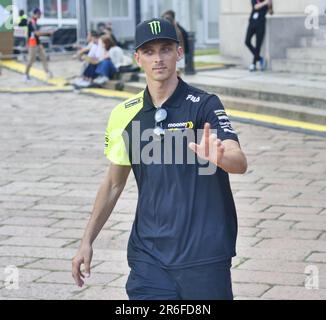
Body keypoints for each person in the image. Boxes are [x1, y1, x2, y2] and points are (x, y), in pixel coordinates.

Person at [72, 18, 247, 300]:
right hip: (148, 257)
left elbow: (239, 161)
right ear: (137, 58)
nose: (158, 59)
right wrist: (86, 241)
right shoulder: (124, 115)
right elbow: (113, 184)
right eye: (150, 51)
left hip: (204, 253)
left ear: (178, 53)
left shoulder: (205, 105)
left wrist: (222, 156)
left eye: (165, 49)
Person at [25, 8, 53, 81]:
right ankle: (26, 75)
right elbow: (37, 33)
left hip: (37, 42)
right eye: (39, 14)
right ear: (36, 14)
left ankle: (47, 72)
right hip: (32, 43)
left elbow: (37, 33)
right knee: (31, 60)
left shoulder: (35, 21)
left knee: (44, 57)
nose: (40, 15)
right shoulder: (31, 22)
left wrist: (47, 33)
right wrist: (47, 33)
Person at [245, 0, 273, 72]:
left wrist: (270, 6)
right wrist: (265, 3)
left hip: (261, 24)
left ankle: (253, 64)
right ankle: (260, 58)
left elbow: (271, 12)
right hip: (252, 23)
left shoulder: (268, 1)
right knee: (247, 41)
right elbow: (255, 7)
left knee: (258, 45)